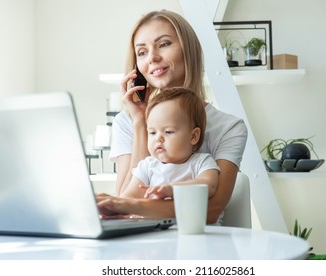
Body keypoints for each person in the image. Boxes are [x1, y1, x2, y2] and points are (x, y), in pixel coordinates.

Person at [96, 10, 247, 224]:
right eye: (142, 52)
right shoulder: (127, 121)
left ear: (189, 50)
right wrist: (140, 123)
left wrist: (131, 205)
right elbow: (123, 203)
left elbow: (212, 209)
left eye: (164, 44)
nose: (152, 58)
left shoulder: (228, 127)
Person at [120, 87, 219, 201]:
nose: (158, 138)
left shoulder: (202, 162)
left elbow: (208, 186)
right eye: (152, 132)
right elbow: (130, 195)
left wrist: (172, 189)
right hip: (153, 218)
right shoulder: (147, 166)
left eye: (168, 132)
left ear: (193, 136)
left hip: (189, 218)